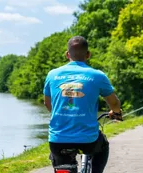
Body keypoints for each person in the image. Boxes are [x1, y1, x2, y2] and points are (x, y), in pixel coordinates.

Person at [43, 36, 122, 173]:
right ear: (88, 54)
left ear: (67, 54)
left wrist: (63, 115)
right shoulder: (97, 75)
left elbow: (47, 103)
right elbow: (114, 102)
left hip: (58, 138)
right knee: (102, 146)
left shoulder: (52, 75)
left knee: (62, 165)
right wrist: (116, 112)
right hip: (88, 140)